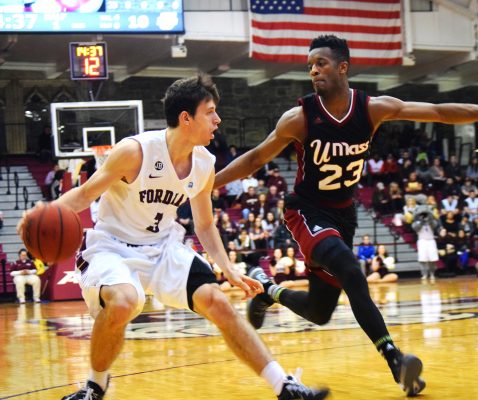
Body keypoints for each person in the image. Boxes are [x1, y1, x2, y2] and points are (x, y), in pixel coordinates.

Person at [214, 35, 478, 397]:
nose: (314, 70)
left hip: (343, 216)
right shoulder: (299, 117)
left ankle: (266, 287)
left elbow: (439, 112)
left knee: (319, 311)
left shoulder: (374, 108)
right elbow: (255, 159)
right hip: (306, 211)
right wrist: (209, 185)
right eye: (310, 66)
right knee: (350, 269)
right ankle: (395, 361)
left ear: (343, 67)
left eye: (322, 63)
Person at [18, 74, 328, 400]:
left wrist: (229, 268)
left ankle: (284, 386)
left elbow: (205, 225)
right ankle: (94, 388)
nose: (217, 119)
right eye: (210, 112)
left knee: (217, 302)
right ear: (186, 118)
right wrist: (43, 213)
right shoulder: (134, 151)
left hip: (163, 247)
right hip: (112, 247)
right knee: (124, 301)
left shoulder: (204, 164)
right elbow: (83, 196)